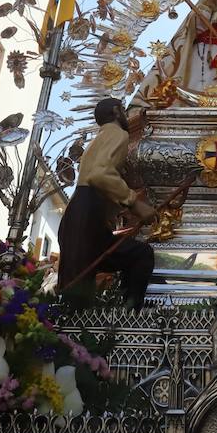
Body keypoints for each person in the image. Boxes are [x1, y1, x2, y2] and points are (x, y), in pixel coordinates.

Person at [57, 97, 157, 309]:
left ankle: (122, 311)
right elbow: (100, 174)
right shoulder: (117, 134)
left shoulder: (100, 138)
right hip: (87, 215)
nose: (127, 115)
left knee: (79, 286)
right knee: (140, 255)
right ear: (115, 111)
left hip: (81, 215)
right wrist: (135, 203)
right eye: (123, 109)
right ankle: (128, 311)